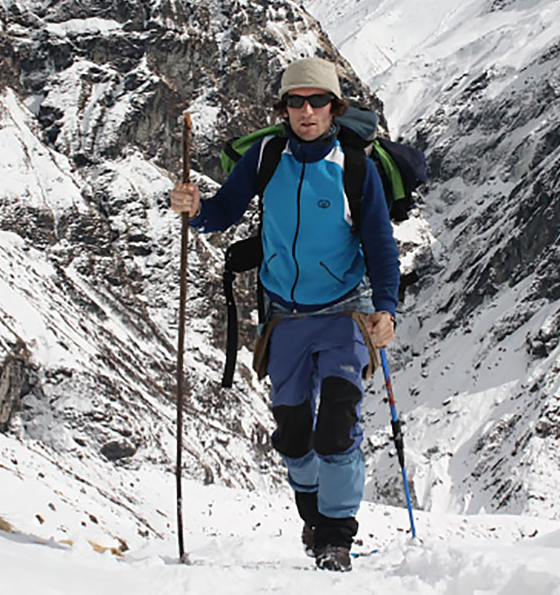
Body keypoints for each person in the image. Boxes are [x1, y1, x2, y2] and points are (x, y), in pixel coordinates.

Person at [170, 56, 399, 571]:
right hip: (284, 315)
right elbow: (224, 211)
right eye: (295, 101)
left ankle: (337, 536)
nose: (306, 110)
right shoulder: (268, 155)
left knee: (337, 425)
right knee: (294, 435)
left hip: (345, 313)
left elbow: (381, 246)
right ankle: (315, 519)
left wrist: (386, 309)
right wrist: (195, 208)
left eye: (317, 101)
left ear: (335, 107)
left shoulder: (354, 166)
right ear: (284, 108)